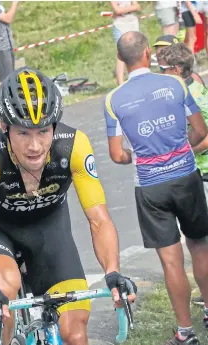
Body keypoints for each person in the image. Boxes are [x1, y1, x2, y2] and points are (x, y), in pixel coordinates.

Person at [0, 67, 137, 345]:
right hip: (0, 231)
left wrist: (112, 272)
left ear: (54, 127)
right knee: (4, 289)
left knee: (75, 333)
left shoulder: (73, 145)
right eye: (23, 134)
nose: (35, 145)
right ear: (4, 128)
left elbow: (99, 219)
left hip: (49, 231)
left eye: (43, 131)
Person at [105, 31, 208, 344]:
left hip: (150, 186)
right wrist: (180, 150)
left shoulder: (113, 99)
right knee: (201, 247)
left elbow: (116, 154)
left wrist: (140, 157)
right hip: (186, 175)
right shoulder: (176, 83)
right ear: (149, 53)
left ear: (122, 59)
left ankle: (185, 332)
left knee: (171, 261)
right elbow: (201, 129)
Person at [153, 41, 208, 319]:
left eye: (162, 69)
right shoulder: (182, 90)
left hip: (203, 174)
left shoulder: (193, 94)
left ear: (176, 69)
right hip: (193, 173)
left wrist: (181, 150)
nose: (159, 73)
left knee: (200, 243)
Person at [110, 1, 141, 85]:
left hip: (133, 23)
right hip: (120, 25)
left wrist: (123, 10)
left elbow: (137, 6)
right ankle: (120, 82)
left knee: (135, 51)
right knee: (121, 53)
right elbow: (117, 10)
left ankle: (136, 76)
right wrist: (130, 8)